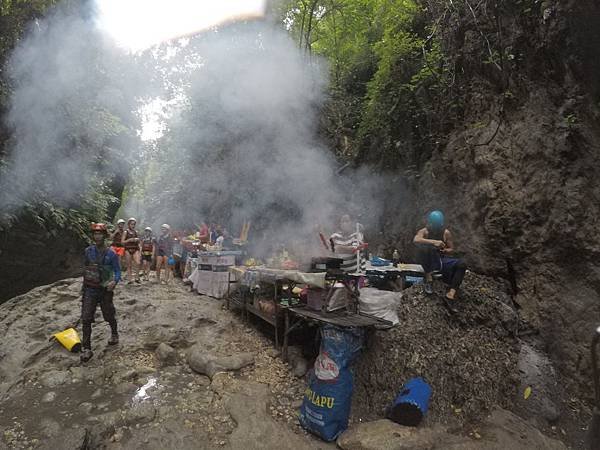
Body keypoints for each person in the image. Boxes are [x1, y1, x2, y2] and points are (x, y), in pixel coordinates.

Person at [81, 223, 121, 363]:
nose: (97, 236)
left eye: (100, 233)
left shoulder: (112, 253)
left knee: (108, 314)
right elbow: (86, 268)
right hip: (90, 288)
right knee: (86, 318)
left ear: (104, 235)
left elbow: (117, 271)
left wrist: (114, 282)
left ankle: (114, 333)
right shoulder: (88, 251)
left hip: (104, 289)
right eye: (95, 233)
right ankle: (87, 348)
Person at [413, 210, 467, 313]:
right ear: (430, 223)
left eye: (437, 224)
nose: (436, 227)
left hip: (440, 261)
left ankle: (450, 295)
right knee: (426, 249)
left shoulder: (446, 233)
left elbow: (451, 249)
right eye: (434, 224)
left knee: (461, 264)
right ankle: (429, 280)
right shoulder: (425, 231)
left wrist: (445, 250)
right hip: (428, 260)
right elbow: (416, 240)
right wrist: (434, 242)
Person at [122, 217, 141, 283]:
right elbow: (122, 242)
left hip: (135, 249)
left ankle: (137, 277)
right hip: (128, 249)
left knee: (138, 263)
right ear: (128, 224)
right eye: (131, 224)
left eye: (134, 224)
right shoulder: (125, 232)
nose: (133, 225)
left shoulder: (136, 232)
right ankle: (130, 279)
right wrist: (129, 240)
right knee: (129, 265)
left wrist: (137, 240)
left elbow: (139, 242)